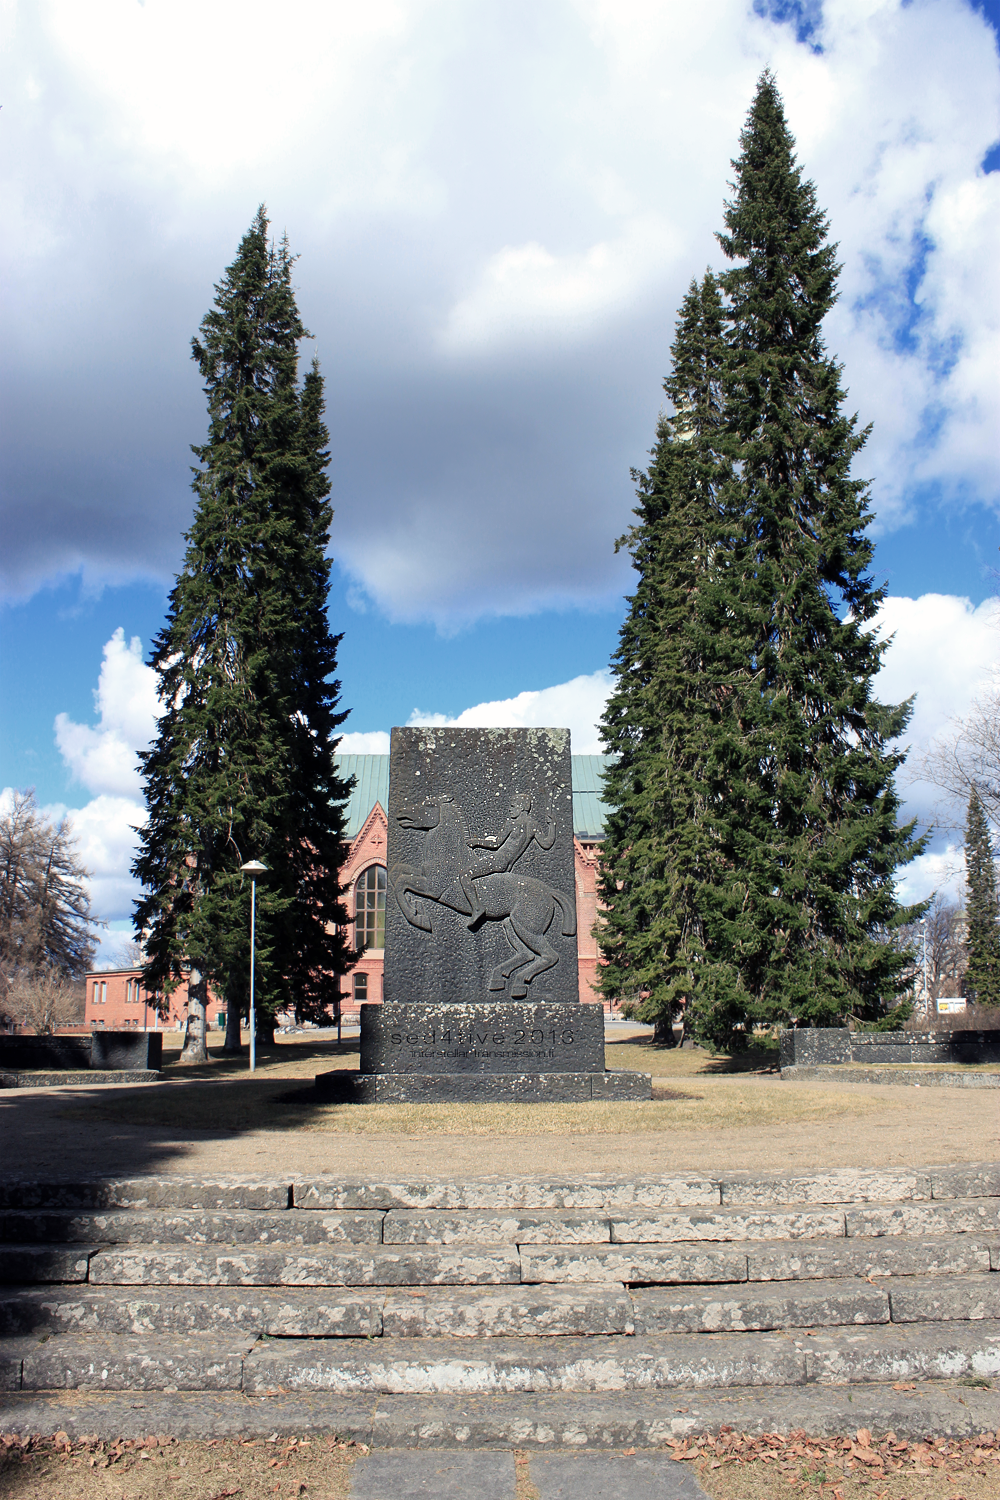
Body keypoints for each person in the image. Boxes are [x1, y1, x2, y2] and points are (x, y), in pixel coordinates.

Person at [458, 793, 556, 926]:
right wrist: (552, 825)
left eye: (512, 806)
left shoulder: (512, 823)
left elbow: (496, 843)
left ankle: (477, 908)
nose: (510, 809)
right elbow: (546, 843)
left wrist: (477, 842)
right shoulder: (533, 825)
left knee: (464, 875)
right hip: (506, 865)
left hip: (498, 860)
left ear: (521, 807)